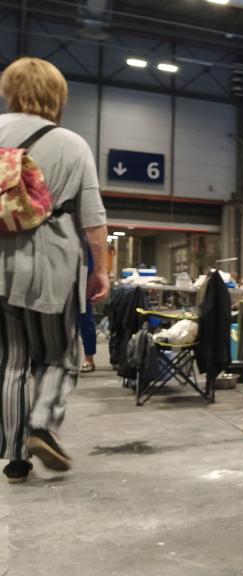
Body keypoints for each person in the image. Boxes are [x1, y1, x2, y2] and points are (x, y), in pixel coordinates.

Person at [0, 57, 109, 482]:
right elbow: (94, 219)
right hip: (53, 264)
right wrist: (100, 270)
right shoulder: (71, 143)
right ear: (58, 95)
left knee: (10, 361)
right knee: (61, 355)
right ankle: (42, 424)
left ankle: (15, 458)